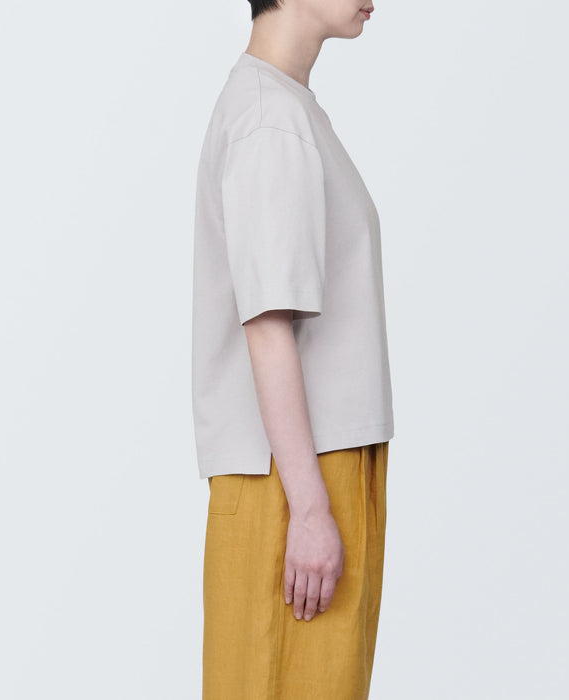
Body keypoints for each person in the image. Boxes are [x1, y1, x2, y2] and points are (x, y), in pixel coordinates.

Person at [191, 1, 393, 697]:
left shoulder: (284, 108)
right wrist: (309, 509)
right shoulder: (270, 119)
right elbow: (268, 322)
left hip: (308, 469)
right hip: (294, 478)